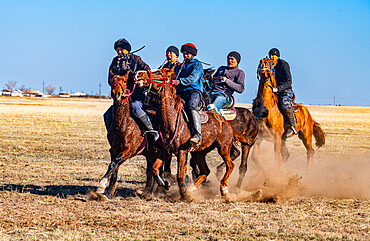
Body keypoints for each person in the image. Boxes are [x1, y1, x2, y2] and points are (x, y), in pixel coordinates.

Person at [104, 38, 159, 141]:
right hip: (121, 96)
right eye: (117, 49)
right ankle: (112, 136)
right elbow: (110, 79)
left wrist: (140, 79)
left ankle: (151, 130)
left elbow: (147, 69)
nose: (119, 52)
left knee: (134, 108)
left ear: (127, 49)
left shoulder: (136, 59)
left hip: (136, 94)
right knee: (107, 115)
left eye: (121, 49)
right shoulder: (115, 61)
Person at [174, 43, 204, 145]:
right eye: (184, 53)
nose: (185, 55)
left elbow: (192, 79)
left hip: (194, 91)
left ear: (192, 54)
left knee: (191, 106)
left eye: (187, 53)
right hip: (180, 92)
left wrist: (178, 82)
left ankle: (197, 134)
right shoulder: (179, 67)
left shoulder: (197, 65)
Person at [268, 48, 297, 138]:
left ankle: (292, 127)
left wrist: (278, 89)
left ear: (278, 56)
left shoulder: (284, 65)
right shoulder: (269, 66)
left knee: (284, 103)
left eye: (274, 55)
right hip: (273, 90)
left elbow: (289, 81)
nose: (272, 57)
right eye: (270, 55)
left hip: (285, 90)